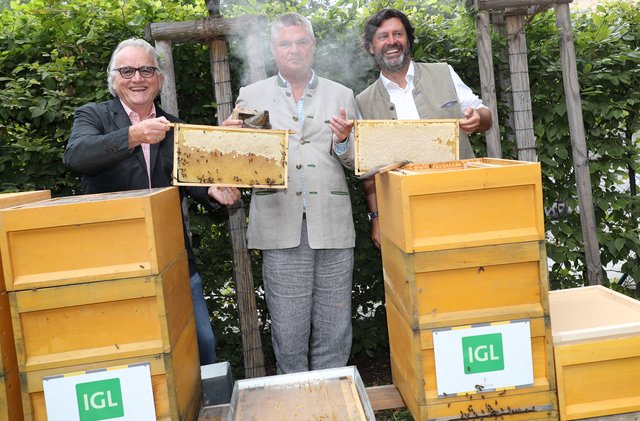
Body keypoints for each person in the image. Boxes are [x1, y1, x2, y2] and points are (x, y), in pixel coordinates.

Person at [63, 38, 241, 366]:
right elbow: (76, 155)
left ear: (159, 79)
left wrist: (215, 191)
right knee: (129, 352)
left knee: (201, 343)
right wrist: (133, 136)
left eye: (146, 70)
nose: (137, 78)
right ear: (113, 78)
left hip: (173, 259)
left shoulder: (176, 127)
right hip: (113, 262)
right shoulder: (94, 116)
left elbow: (195, 182)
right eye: (127, 71)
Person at [222, 13, 358, 374]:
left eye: (301, 42)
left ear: (313, 46)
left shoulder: (341, 95)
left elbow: (358, 163)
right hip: (279, 224)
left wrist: (344, 142)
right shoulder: (251, 96)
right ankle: (294, 399)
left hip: (332, 225)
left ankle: (332, 398)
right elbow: (242, 162)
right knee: (288, 329)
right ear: (273, 49)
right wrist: (228, 140)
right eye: (285, 43)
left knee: (335, 327)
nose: (294, 50)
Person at [357, 8, 493, 249]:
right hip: (404, 212)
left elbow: (485, 116)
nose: (392, 42)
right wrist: (376, 219)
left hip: (461, 200)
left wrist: (477, 120)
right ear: (371, 46)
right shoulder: (363, 102)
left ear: (408, 39)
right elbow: (370, 174)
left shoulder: (443, 73)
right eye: (383, 36)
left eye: (398, 34)